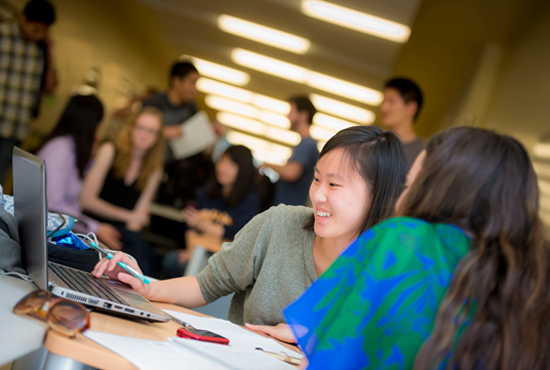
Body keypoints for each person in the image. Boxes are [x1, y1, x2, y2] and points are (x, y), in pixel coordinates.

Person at [282, 127, 548, 370]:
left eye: (408, 185)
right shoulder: (529, 278)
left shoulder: (404, 241)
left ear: (437, 189)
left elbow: (333, 354)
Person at [91, 125, 408, 327]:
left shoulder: (390, 273)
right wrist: (147, 286)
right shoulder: (279, 224)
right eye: (316, 179)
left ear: (376, 195)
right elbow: (206, 285)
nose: (318, 195)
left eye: (334, 185)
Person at [81, 107, 166, 276]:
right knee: (140, 253)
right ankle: (143, 288)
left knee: (145, 253)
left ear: (157, 138)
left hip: (121, 234)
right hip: (91, 225)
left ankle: (141, 288)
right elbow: (86, 200)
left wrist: (118, 247)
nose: (144, 134)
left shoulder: (154, 170)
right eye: (140, 127)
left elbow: (137, 220)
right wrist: (129, 217)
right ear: (131, 128)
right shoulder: (109, 150)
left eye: (151, 131)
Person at [36, 95, 123, 250]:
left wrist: (93, 154)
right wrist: (95, 228)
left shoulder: (72, 148)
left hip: (58, 230)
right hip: (45, 234)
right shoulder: (60, 149)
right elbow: (54, 205)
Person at [162, 145, 262, 278]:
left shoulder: (250, 200)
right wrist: (191, 251)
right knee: (172, 261)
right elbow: (190, 224)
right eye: (222, 161)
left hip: (225, 260)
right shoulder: (207, 191)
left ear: (243, 170)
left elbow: (236, 234)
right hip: (197, 249)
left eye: (231, 165)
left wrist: (202, 224)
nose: (223, 168)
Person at [0, 0, 58, 185]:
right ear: (23, 19)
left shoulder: (40, 49)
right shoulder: (2, 35)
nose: (39, 35)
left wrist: (49, 54)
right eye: (35, 29)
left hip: (16, 130)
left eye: (44, 31)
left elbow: (50, 90)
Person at [142, 61, 208, 208]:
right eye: (191, 83)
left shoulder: (192, 109)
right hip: (146, 166)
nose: (194, 89)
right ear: (176, 81)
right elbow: (134, 129)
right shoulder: (153, 104)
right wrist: (163, 132)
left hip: (172, 178)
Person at [262, 96, 319, 206]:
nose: (288, 116)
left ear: (303, 115)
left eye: (292, 111)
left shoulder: (307, 144)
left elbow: (291, 173)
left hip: (290, 209)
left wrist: (268, 165)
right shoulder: (304, 144)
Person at [381, 77, 424, 168]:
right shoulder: (373, 142)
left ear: (411, 108)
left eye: (391, 101)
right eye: (384, 100)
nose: (384, 108)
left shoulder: (422, 154)